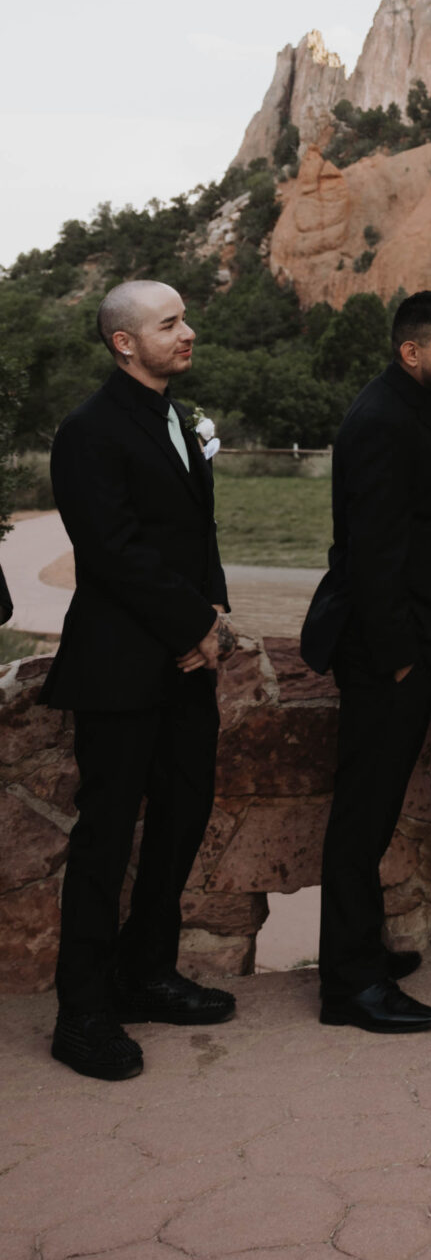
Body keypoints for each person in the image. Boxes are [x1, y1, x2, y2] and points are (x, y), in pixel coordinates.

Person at [39, 281, 234, 1081]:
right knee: (104, 841)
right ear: (125, 343)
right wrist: (193, 626)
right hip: (121, 669)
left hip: (188, 667)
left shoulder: (178, 420)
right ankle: (81, 1014)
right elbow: (112, 551)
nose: (188, 333)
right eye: (169, 324)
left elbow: (197, 532)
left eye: (184, 319)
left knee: (182, 820)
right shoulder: (87, 431)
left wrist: (212, 615)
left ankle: (145, 972)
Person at [301, 289, 431, 1034]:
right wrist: (402, 657)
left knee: (373, 814)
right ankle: (349, 986)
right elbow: (372, 553)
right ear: (411, 352)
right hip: (386, 657)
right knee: (362, 817)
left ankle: (362, 953)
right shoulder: (380, 421)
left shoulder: (411, 408)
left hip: (411, 648)